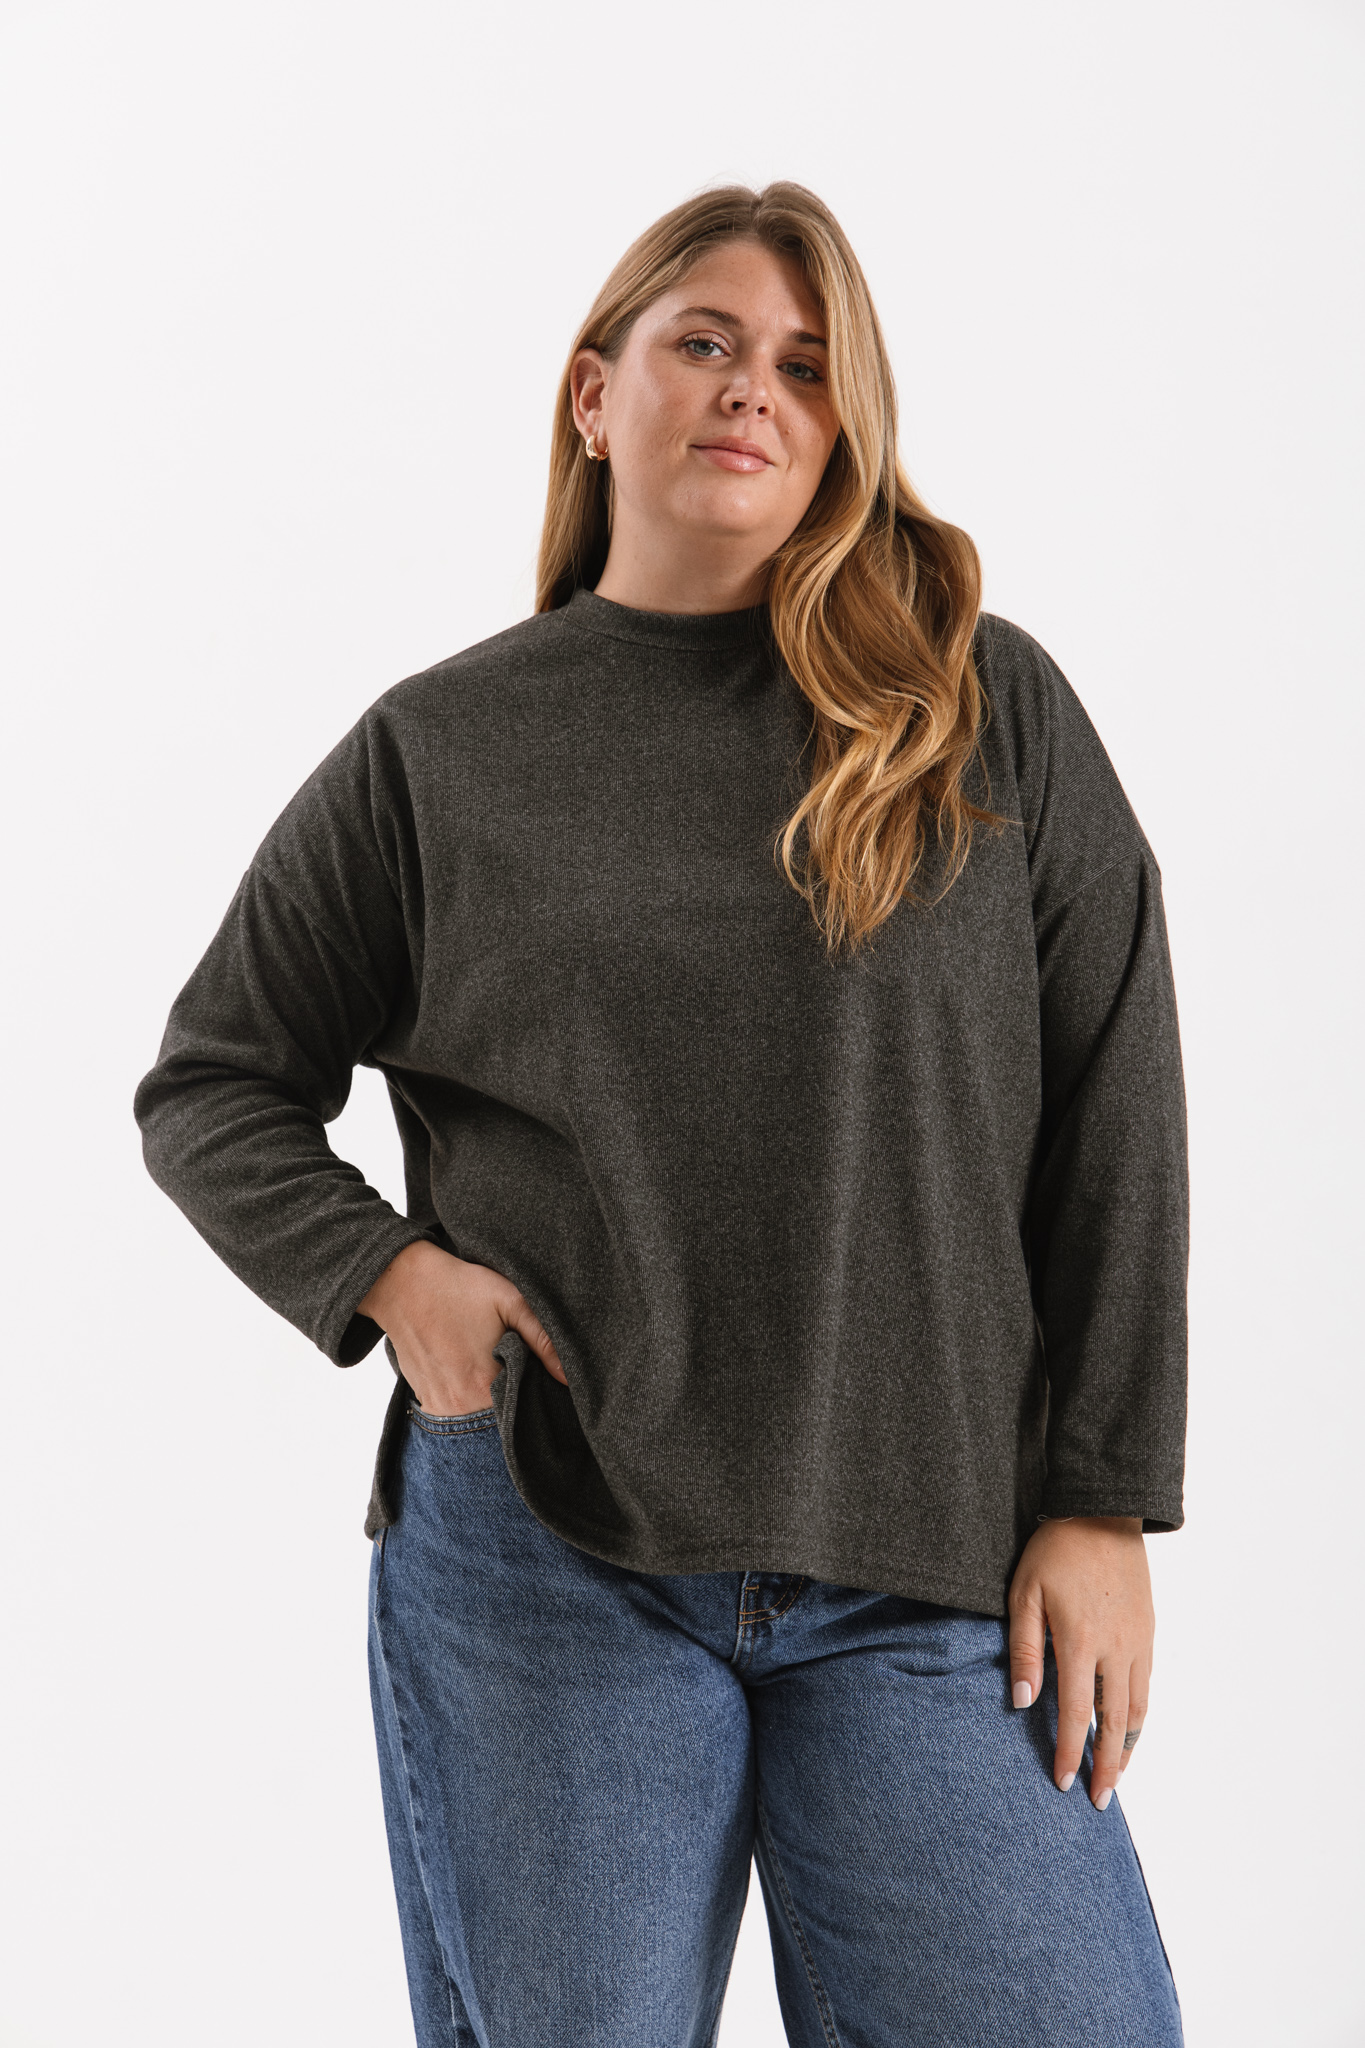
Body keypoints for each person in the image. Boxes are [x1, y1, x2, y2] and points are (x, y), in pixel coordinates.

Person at [134, 182, 1187, 2047]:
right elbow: (215, 1078)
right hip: (550, 1548)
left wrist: (1102, 1499)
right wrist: (387, 1274)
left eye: (806, 364)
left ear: (843, 429)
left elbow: (1116, 1092)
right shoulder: (440, 750)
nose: (752, 388)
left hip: (928, 1560)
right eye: (704, 341)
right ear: (593, 394)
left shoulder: (974, 707)